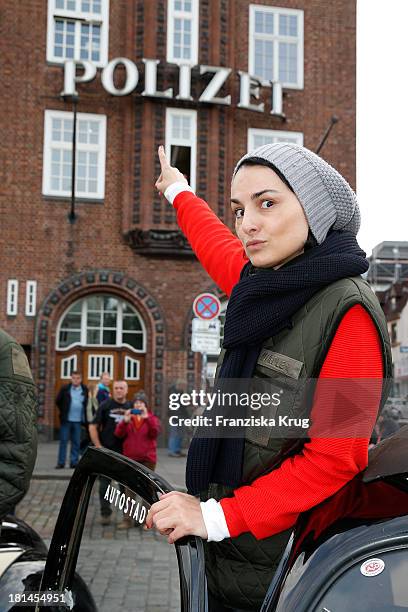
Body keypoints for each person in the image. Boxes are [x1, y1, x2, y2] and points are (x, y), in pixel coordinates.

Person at [146, 144, 392, 611]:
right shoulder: (263, 286)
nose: (247, 224)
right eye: (239, 210)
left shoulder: (351, 311)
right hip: (226, 560)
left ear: (314, 211)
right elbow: (214, 242)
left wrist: (216, 516)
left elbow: (337, 459)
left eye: (267, 203)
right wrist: (177, 190)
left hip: (287, 577)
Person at [114, 390, 161, 528]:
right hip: (131, 459)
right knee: (129, 491)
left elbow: (155, 433)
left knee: (147, 490)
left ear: (146, 405)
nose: (138, 405)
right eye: (136, 403)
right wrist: (124, 421)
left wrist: (147, 418)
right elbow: (118, 434)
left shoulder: (152, 418)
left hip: (148, 459)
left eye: (141, 403)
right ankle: (127, 520)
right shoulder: (129, 419)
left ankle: (144, 520)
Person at [89, 380, 132, 525]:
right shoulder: (105, 405)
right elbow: (93, 426)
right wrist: (98, 446)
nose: (119, 390)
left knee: (125, 488)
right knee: (104, 486)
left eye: (122, 388)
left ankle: (127, 517)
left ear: (126, 390)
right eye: (116, 388)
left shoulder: (131, 407)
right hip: (107, 451)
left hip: (126, 454)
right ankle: (105, 514)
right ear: (113, 390)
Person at [55, 371, 88, 469]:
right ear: (71, 378)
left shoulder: (85, 389)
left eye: (78, 378)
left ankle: (74, 462)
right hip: (66, 420)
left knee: (76, 442)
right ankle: (61, 463)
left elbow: (86, 403)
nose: (76, 380)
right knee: (63, 441)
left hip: (78, 421)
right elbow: (58, 401)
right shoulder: (65, 389)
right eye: (74, 378)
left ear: (81, 379)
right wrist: (64, 411)